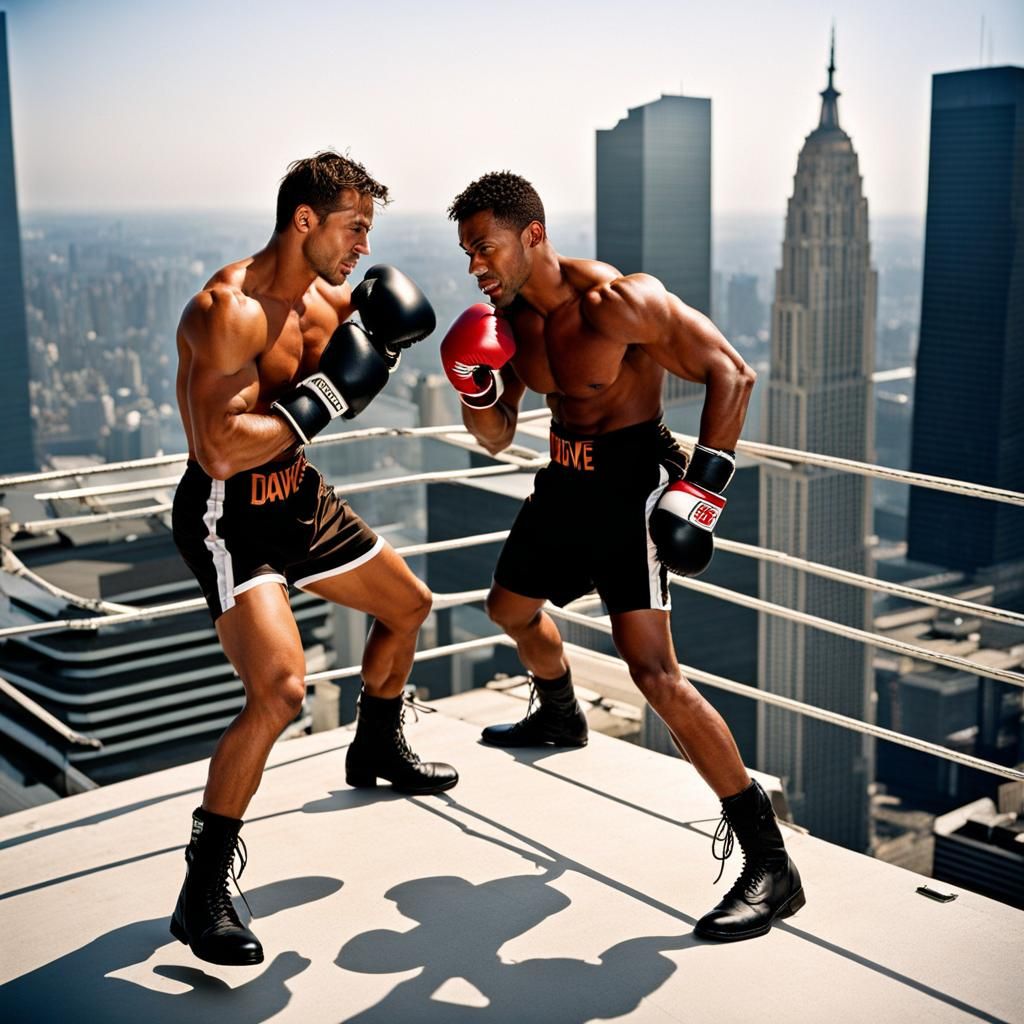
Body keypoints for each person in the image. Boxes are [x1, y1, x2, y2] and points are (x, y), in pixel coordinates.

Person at [440, 171, 804, 942]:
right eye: (468, 250)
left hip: (629, 488)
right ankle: (562, 712)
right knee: (506, 609)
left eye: (486, 245)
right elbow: (499, 435)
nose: (476, 264)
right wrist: (475, 387)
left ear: (532, 233)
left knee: (654, 675)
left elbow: (732, 372)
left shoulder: (615, 302)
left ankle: (770, 865)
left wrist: (702, 494)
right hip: (562, 482)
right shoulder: (506, 321)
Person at [169, 151, 457, 966]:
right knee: (282, 689)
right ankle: (203, 889)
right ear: (305, 221)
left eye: (369, 228)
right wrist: (327, 396)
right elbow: (220, 448)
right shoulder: (229, 311)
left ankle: (375, 745)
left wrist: (384, 358)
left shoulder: (333, 303)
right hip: (233, 517)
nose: (363, 245)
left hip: (299, 496)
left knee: (408, 607)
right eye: (353, 226)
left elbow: (346, 383)